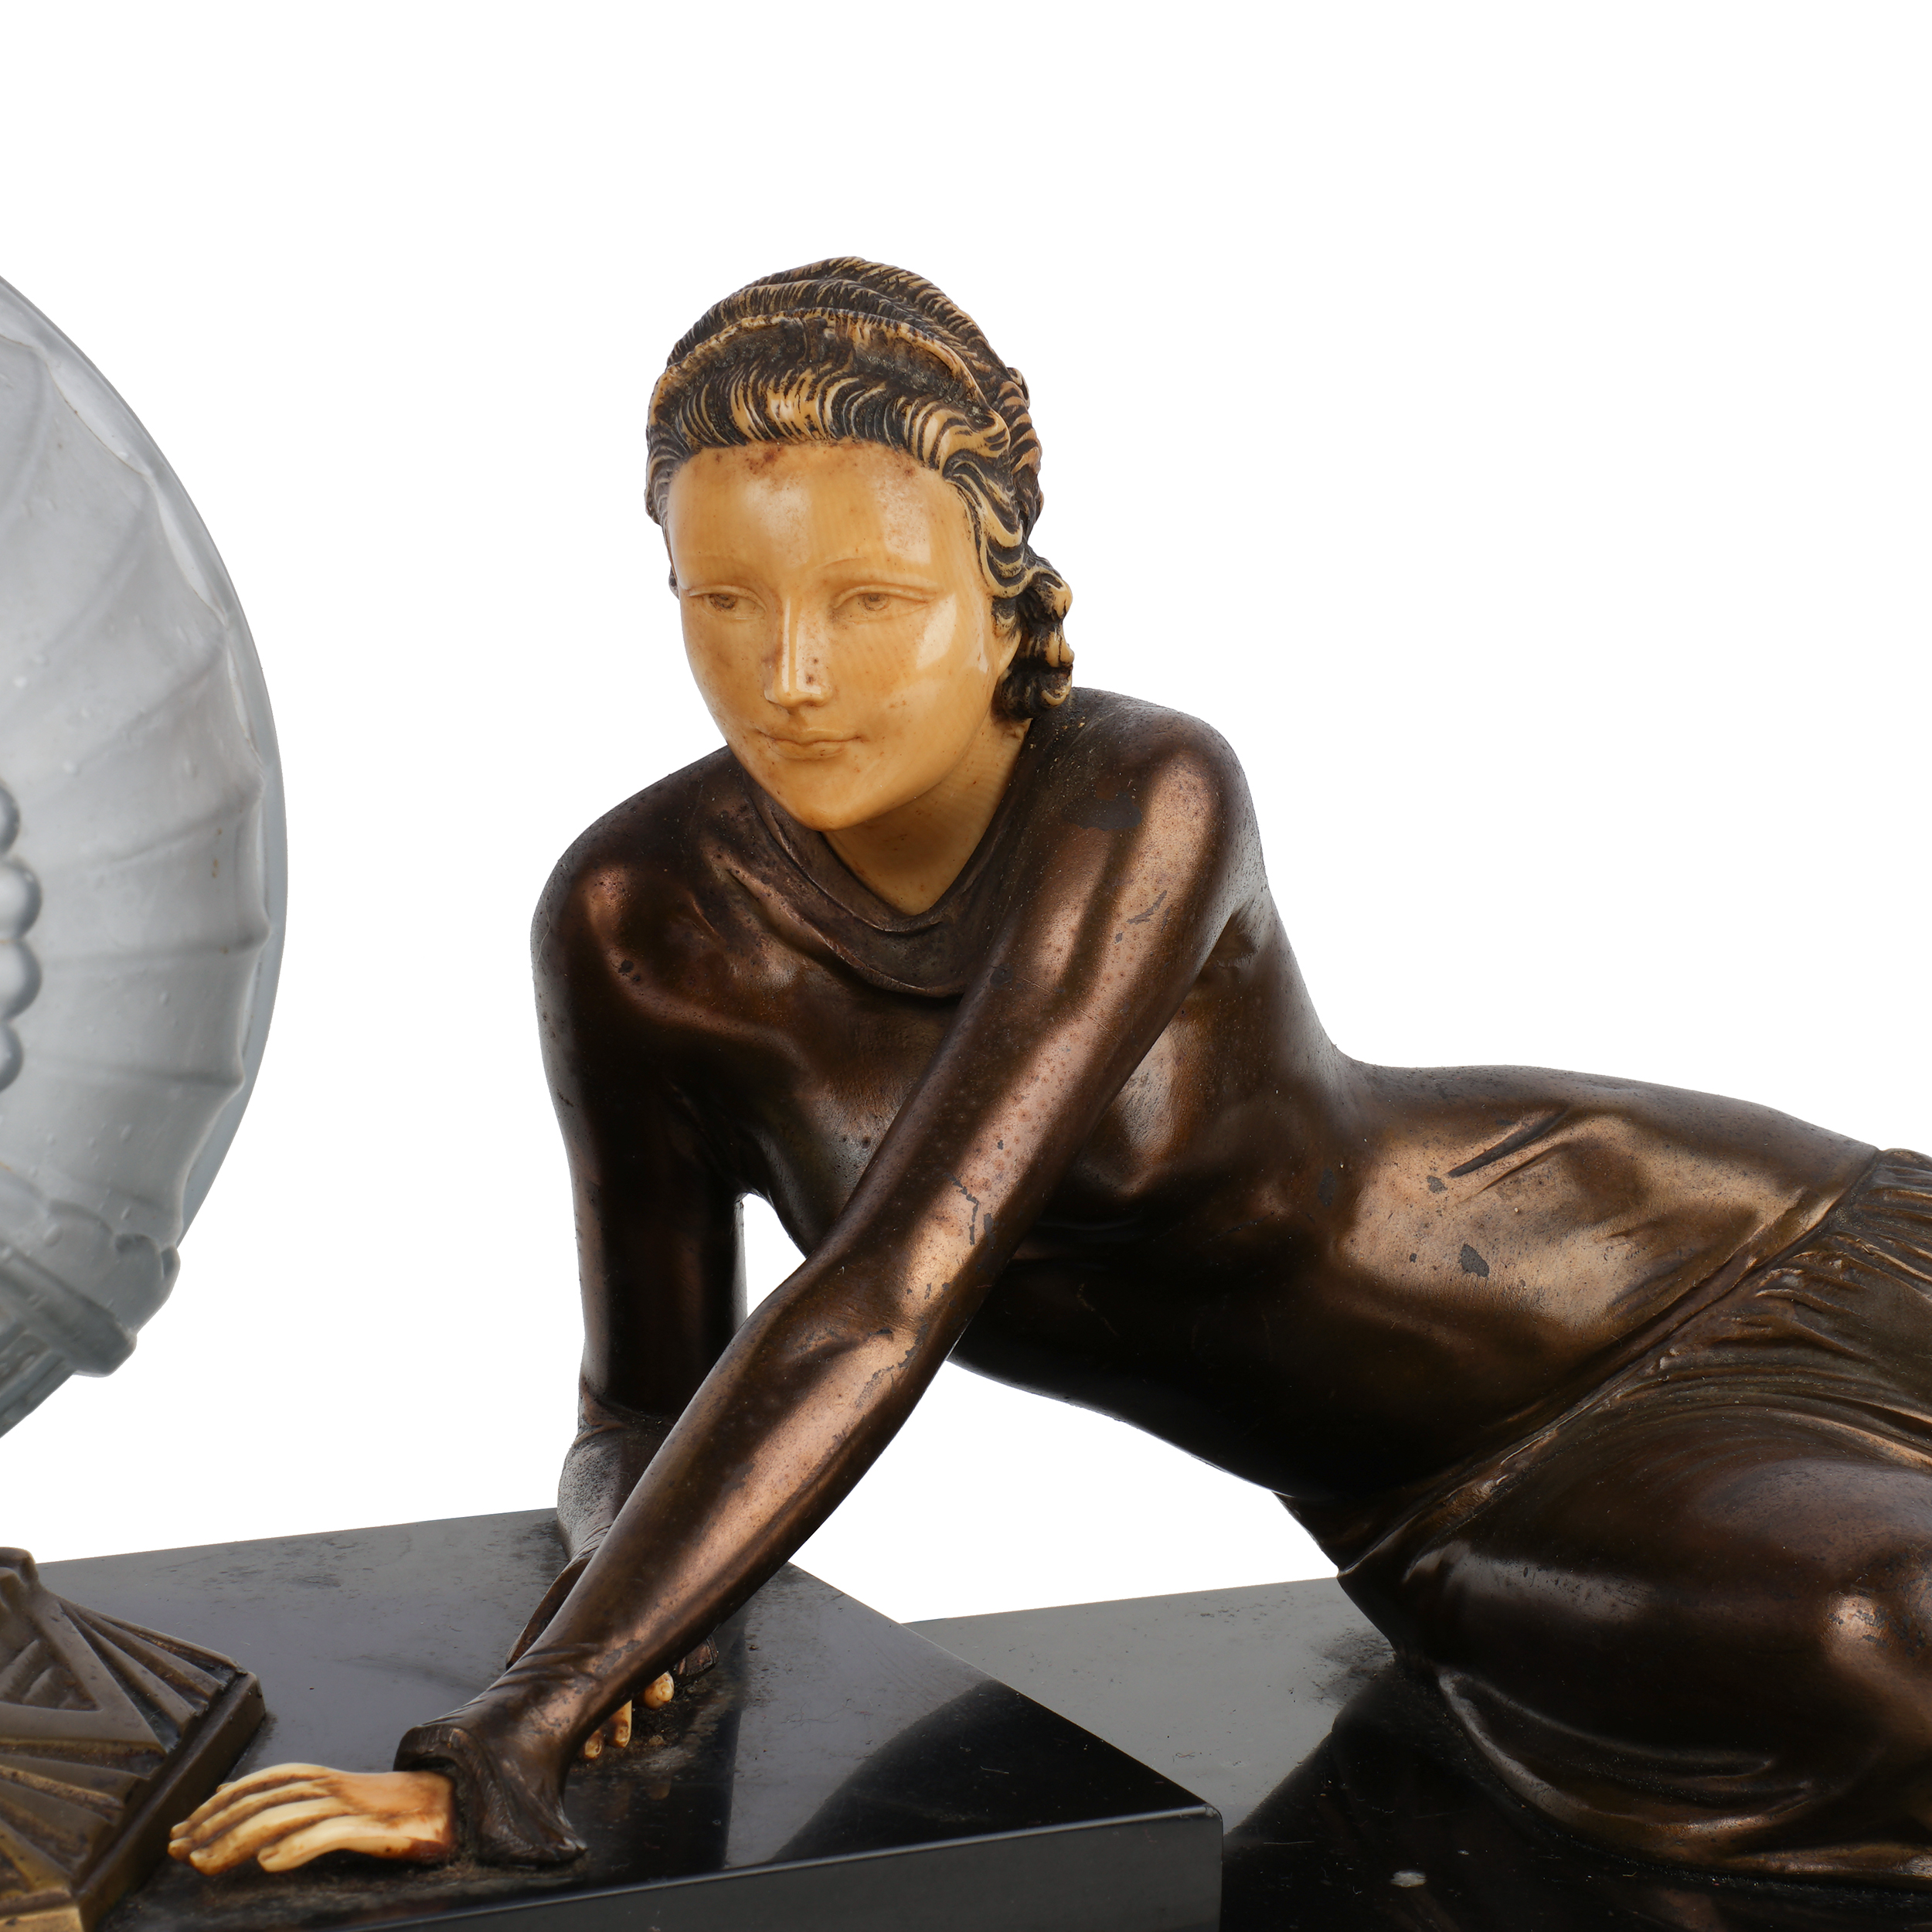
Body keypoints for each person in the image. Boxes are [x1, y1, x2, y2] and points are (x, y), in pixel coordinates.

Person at [172, 260, 1932, 1889]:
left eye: (872, 602)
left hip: (1736, 1248)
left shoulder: (1140, 794)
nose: (790, 677)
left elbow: (894, 1285)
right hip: (1466, 1488)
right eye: (722, 600)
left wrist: (521, 1724)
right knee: (1886, 1636)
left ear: (997, 586)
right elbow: (639, 1402)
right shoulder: (640, 923)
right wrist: (620, 1627)